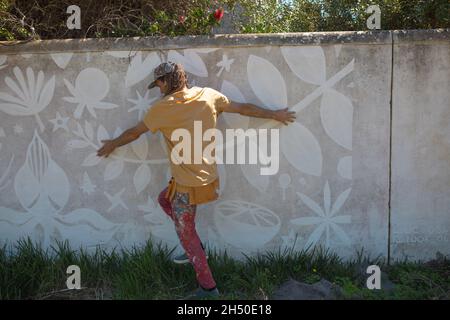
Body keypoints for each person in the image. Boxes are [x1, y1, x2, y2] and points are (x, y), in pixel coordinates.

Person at [97, 61, 296, 299]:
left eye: (159, 83)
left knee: (186, 234)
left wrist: (111, 144)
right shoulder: (209, 96)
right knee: (164, 200)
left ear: (167, 80)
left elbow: (134, 133)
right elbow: (243, 108)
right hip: (208, 178)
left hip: (186, 185)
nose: (158, 88)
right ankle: (197, 247)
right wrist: (275, 114)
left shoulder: (162, 108)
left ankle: (208, 288)